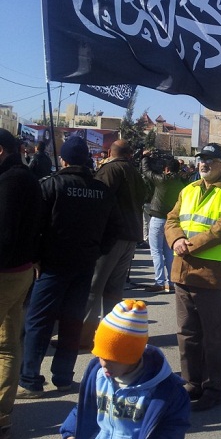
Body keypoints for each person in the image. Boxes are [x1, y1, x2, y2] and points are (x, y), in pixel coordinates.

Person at [17, 136, 118, 399]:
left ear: (63, 160)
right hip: (84, 264)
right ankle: (63, 378)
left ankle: (30, 380)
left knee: (38, 322)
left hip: (52, 265)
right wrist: (95, 251)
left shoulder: (50, 185)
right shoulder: (102, 190)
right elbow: (113, 230)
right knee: (72, 323)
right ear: (86, 160)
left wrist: (35, 258)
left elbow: (34, 226)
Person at [165, 143, 221, 411]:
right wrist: (176, 239)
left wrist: (187, 246)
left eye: (210, 160)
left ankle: (213, 387)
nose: (204, 163)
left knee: (212, 335)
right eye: (201, 159)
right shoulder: (188, 189)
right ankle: (192, 383)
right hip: (182, 270)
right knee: (186, 333)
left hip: (211, 273)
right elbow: (171, 219)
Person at [60, 300, 190, 439]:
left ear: (132, 358)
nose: (104, 364)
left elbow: (173, 427)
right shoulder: (97, 375)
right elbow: (84, 408)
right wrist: (71, 433)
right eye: (100, 356)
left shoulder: (165, 390)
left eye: (113, 360)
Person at [81, 140, 147, 350]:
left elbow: (98, 200)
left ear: (110, 152)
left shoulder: (110, 170)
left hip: (112, 237)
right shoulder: (135, 172)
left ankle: (85, 336)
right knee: (114, 291)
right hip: (130, 236)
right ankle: (111, 336)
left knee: (94, 287)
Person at [0, 129, 42, 439]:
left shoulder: (9, 181)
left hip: (5, 272)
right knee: (7, 345)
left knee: (8, 345)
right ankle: (2, 414)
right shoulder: (27, 177)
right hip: (22, 270)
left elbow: (4, 233)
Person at [141, 154, 186, 293]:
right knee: (168, 252)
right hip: (172, 220)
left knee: (156, 251)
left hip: (158, 218)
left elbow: (146, 172)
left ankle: (159, 281)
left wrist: (145, 157)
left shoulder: (162, 180)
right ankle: (171, 282)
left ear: (166, 169)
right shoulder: (181, 182)